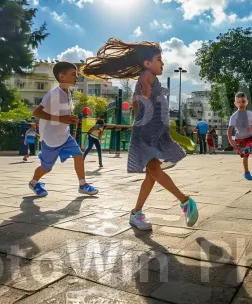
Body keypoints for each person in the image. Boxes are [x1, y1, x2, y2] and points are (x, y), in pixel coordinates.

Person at [80, 38, 198, 231]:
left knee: (151, 175)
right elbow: (142, 86)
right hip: (146, 134)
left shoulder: (151, 77)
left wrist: (144, 107)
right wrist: (145, 92)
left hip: (151, 131)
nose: (162, 63)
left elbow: (136, 104)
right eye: (159, 59)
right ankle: (184, 200)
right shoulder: (147, 76)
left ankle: (136, 213)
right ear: (147, 63)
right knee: (154, 170)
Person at [28, 61, 98, 197]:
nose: (76, 77)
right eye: (73, 74)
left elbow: (61, 115)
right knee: (46, 168)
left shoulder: (68, 94)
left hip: (64, 136)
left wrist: (71, 119)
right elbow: (36, 113)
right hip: (50, 139)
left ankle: (83, 185)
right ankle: (34, 182)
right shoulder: (53, 94)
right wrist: (61, 119)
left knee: (78, 155)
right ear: (61, 76)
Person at [227, 92, 252, 181]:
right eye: (238, 102)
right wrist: (231, 141)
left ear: (247, 102)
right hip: (241, 139)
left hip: (251, 136)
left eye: (243, 101)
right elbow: (230, 130)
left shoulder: (250, 113)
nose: (241, 104)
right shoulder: (234, 116)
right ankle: (246, 172)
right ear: (235, 103)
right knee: (246, 156)